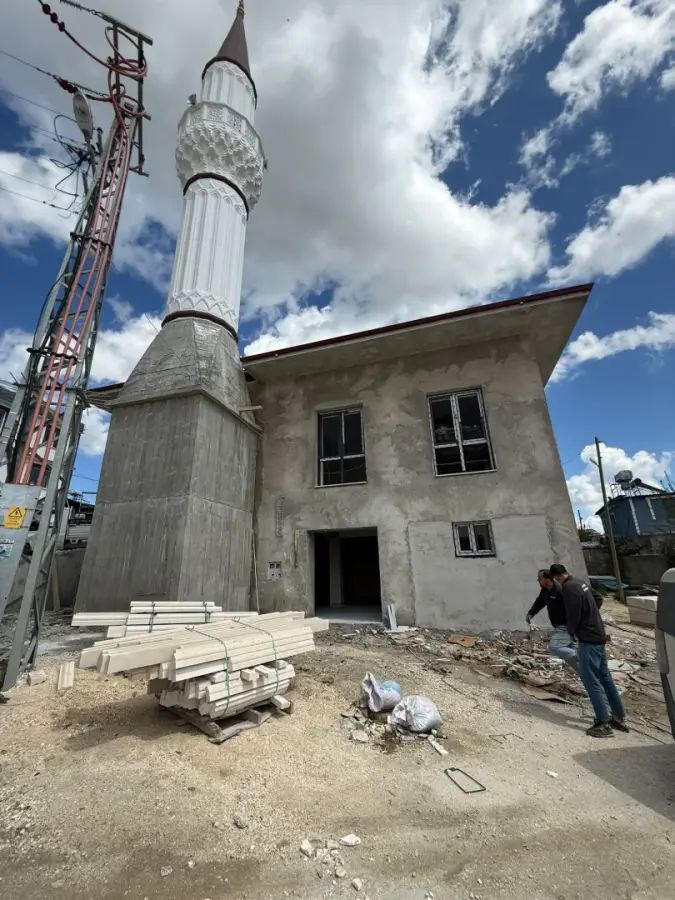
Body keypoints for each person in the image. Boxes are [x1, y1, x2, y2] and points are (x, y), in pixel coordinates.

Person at [549, 563, 628, 738]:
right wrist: (590, 616)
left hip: (588, 639)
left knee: (590, 679)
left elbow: (573, 613)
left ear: (556, 577)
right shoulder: (579, 582)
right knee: (605, 677)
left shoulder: (568, 588)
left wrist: (571, 631)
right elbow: (598, 599)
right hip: (599, 635)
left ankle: (603, 723)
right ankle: (618, 716)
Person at [526, 570, 579, 673]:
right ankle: (585, 675)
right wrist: (531, 613)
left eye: (540, 578)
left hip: (566, 626)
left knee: (554, 647)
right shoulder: (545, 590)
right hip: (558, 626)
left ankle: (583, 657)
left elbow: (572, 608)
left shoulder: (559, 590)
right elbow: (540, 602)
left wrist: (573, 626)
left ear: (547, 578)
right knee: (569, 655)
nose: (538, 580)